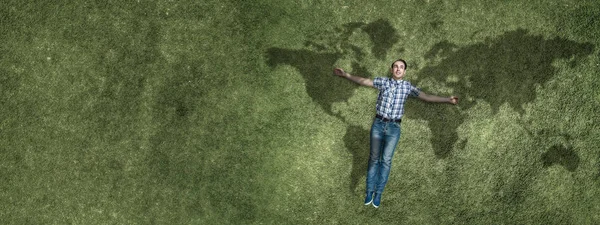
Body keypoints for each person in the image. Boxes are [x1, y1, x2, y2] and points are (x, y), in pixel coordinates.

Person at [333, 59, 458, 208]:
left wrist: (447, 100)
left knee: (386, 160)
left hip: (394, 128)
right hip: (378, 125)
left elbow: (427, 97)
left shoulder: (407, 87)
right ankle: (369, 191)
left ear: (404, 72)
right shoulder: (383, 82)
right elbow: (365, 81)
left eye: (401, 67)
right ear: (392, 70)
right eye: (396, 67)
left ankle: (378, 193)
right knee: (373, 159)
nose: (398, 69)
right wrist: (345, 74)